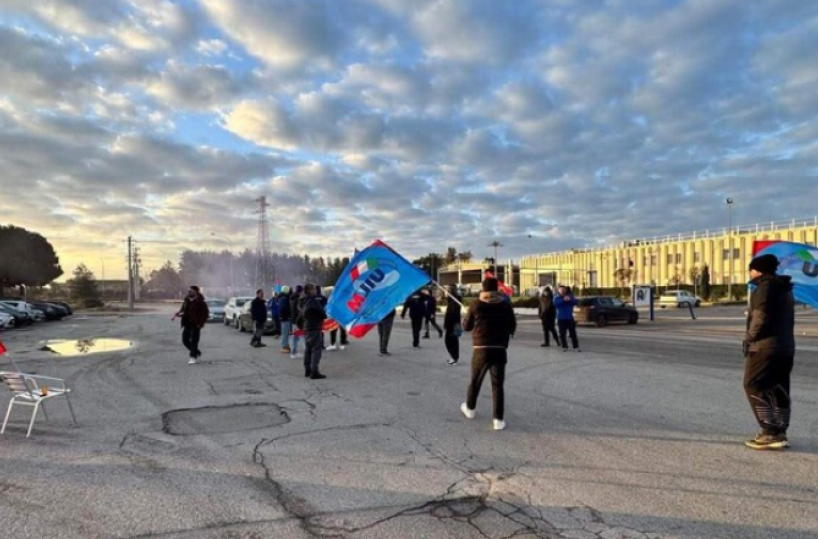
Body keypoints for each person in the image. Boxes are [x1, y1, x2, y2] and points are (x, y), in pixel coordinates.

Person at [743, 254, 795, 450]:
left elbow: (760, 318)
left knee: (753, 384)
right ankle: (780, 431)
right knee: (777, 387)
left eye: (750, 269)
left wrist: (749, 338)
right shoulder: (784, 290)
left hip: (765, 347)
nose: (749, 273)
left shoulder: (764, 288)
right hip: (785, 347)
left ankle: (770, 431)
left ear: (757, 270)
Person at [460, 277, 516, 430]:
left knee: (475, 381)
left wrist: (464, 319)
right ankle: (498, 419)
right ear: (497, 289)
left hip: (481, 348)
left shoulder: (476, 304)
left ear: (483, 289)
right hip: (499, 349)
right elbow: (512, 327)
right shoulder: (505, 305)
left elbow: (466, 327)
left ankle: (470, 409)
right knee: (497, 385)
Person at [297, 283, 327, 379]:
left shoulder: (303, 301)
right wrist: (323, 314)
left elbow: (302, 314)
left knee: (308, 350)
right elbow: (322, 313)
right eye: (314, 289)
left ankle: (308, 370)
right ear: (309, 291)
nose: (316, 291)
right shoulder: (312, 301)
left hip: (307, 328)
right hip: (314, 327)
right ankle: (314, 372)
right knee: (316, 350)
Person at [174, 285, 209, 364]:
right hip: (187, 323)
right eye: (188, 291)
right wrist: (179, 314)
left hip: (195, 324)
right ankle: (196, 352)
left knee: (194, 341)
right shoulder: (186, 300)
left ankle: (192, 357)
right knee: (185, 340)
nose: (189, 292)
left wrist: (200, 324)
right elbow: (183, 310)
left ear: (196, 292)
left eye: (191, 291)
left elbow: (205, 314)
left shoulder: (200, 302)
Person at [443, 285, 462, 365]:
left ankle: (454, 358)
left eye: (448, 289)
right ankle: (454, 357)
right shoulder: (452, 299)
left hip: (453, 324)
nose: (446, 291)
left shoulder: (455, 300)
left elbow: (452, 313)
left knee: (451, 341)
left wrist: (448, 324)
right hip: (453, 323)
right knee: (451, 340)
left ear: (451, 290)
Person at [289, 285, 304, 358]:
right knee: (297, 336)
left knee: (296, 336)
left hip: (293, 320)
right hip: (298, 320)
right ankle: (294, 352)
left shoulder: (292, 298)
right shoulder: (298, 299)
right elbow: (300, 310)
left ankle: (294, 352)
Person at [277, 286, 292, 353]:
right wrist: (288, 315)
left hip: (283, 317)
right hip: (285, 317)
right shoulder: (284, 298)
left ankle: (285, 345)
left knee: (285, 332)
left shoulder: (281, 298)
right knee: (285, 332)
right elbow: (284, 308)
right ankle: (284, 346)